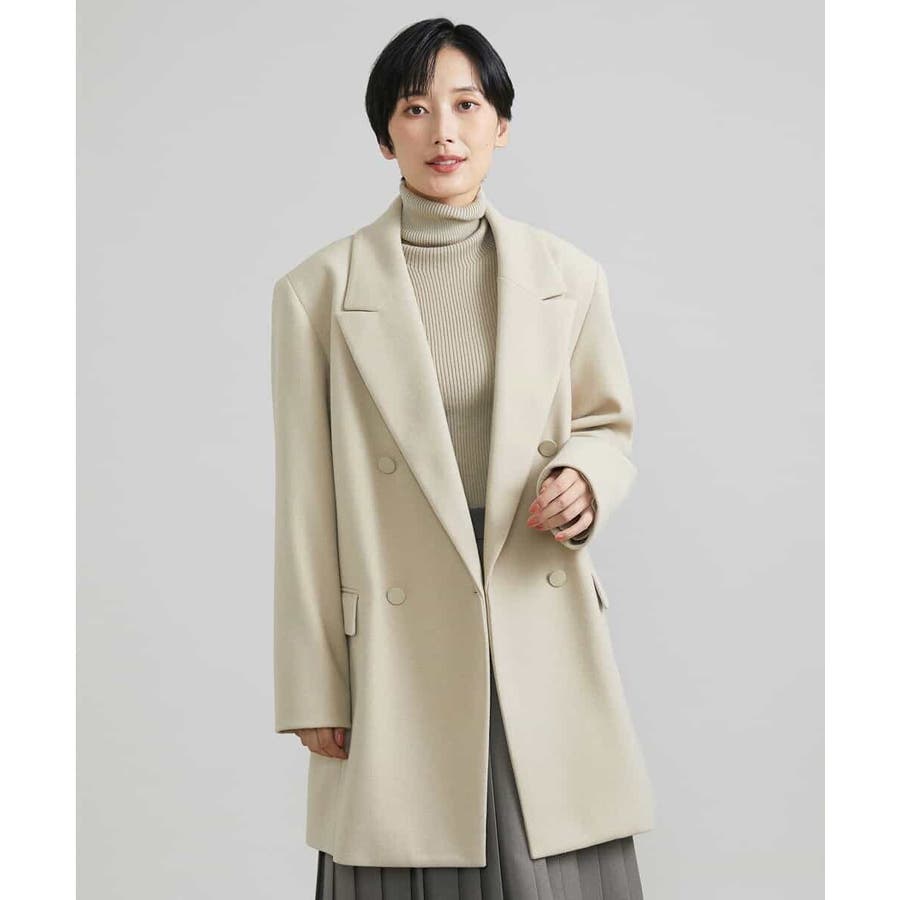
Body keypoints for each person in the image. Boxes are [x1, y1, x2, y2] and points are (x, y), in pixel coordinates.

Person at [271, 17, 653, 899]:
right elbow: (305, 504)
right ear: (384, 136)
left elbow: (607, 426)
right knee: (409, 844)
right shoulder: (317, 293)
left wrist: (584, 480)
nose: (443, 131)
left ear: (501, 124)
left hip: (530, 598)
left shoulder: (568, 276)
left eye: (467, 105)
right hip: (397, 625)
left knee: (550, 850)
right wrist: (313, 686)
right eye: (415, 108)